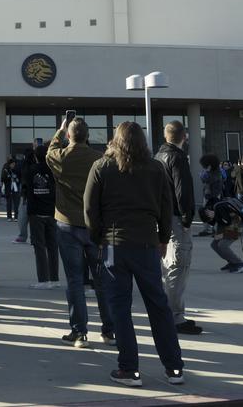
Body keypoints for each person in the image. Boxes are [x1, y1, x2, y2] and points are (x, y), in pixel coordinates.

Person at [84, 121, 185, 388]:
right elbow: (167, 207)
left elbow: (90, 210)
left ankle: (129, 369)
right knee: (158, 305)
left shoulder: (102, 166)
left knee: (120, 307)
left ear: (115, 139)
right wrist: (163, 238)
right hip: (147, 243)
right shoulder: (156, 168)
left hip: (114, 244)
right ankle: (174, 368)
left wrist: (98, 239)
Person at [46, 114, 115, 348]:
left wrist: (60, 129)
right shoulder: (100, 159)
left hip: (67, 224)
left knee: (74, 281)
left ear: (69, 135)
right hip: (94, 227)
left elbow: (50, 151)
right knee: (102, 280)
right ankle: (109, 330)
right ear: (87, 136)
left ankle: (79, 332)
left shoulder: (62, 157)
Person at [155, 121, 201, 336]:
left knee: (168, 266)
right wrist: (187, 218)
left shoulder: (158, 157)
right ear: (184, 136)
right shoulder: (177, 157)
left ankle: (172, 313)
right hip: (175, 218)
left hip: (161, 217)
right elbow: (182, 190)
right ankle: (175, 317)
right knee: (178, 266)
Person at [23, 143, 59, 289]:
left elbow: (24, 178)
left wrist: (29, 158)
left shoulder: (31, 170)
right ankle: (54, 278)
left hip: (36, 212)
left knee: (39, 246)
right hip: (52, 211)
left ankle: (43, 279)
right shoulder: (53, 170)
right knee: (52, 246)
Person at [202, 197, 243, 272]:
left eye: (209, 218)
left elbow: (227, 222)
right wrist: (218, 234)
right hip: (231, 226)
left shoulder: (219, 208)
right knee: (214, 244)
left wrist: (221, 234)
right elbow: (221, 224)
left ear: (208, 212)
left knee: (222, 245)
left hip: (237, 226)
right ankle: (232, 262)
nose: (210, 219)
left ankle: (239, 264)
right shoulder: (216, 209)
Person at [1, 156, 19, 221]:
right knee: (9, 203)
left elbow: (19, 176)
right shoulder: (5, 169)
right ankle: (9, 217)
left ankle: (16, 216)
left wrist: (16, 179)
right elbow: (2, 178)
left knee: (16, 203)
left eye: (14, 164)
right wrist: (9, 177)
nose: (13, 165)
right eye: (12, 164)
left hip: (15, 188)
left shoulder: (17, 169)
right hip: (8, 187)